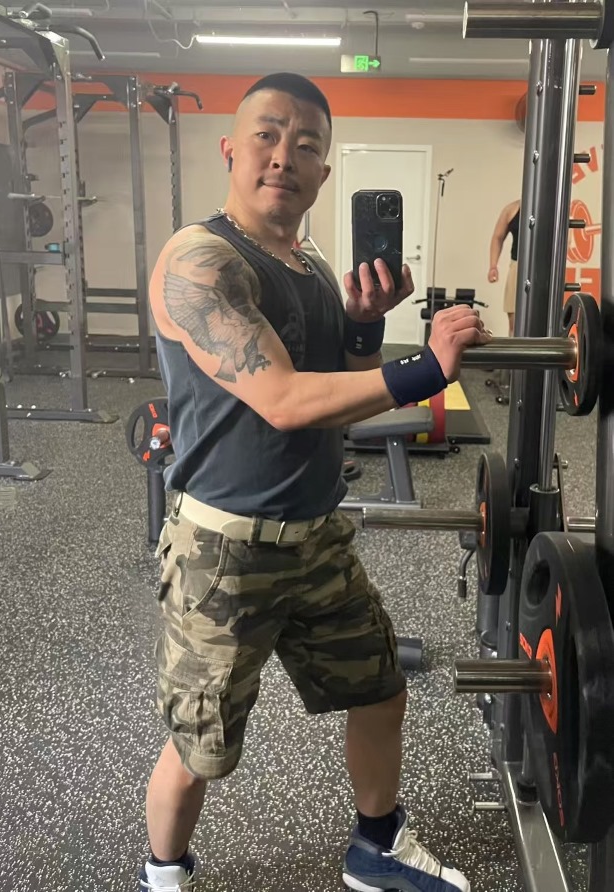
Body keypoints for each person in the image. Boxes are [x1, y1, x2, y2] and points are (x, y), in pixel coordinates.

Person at [143, 72, 489, 892]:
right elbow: (285, 400)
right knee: (200, 751)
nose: (283, 156)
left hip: (316, 537)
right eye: (267, 135)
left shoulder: (312, 262)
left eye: (305, 145)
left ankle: (375, 849)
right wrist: (425, 370)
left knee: (380, 688)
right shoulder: (197, 260)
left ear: (324, 173)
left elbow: (344, 379)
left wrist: (367, 321)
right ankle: (163, 875)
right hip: (224, 554)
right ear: (230, 149)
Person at [488, 198, 520, 337]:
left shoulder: (552, 208)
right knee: (515, 323)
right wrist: (493, 266)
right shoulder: (511, 209)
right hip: (517, 267)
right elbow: (498, 237)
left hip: (544, 268)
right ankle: (515, 349)